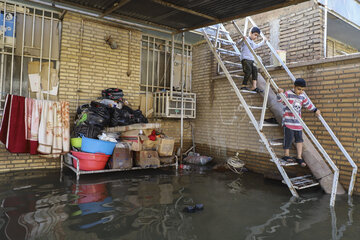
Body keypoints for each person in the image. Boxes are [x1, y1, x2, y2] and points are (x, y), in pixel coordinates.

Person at [277, 78, 321, 167]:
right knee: (288, 138)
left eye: (302, 90)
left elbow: (308, 104)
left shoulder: (302, 96)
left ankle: (299, 157)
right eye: (299, 89)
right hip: (288, 121)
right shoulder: (288, 93)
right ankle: (286, 155)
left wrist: (315, 110)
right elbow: (280, 100)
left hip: (297, 122)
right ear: (294, 86)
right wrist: (279, 93)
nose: (301, 91)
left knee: (299, 140)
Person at [238, 26, 267, 93]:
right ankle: (243, 85)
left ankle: (254, 87)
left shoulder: (252, 42)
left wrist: (263, 41)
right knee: (248, 71)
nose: (256, 37)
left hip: (251, 59)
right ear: (250, 33)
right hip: (245, 59)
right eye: (255, 35)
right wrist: (242, 39)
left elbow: (256, 46)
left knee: (255, 71)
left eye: (257, 36)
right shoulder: (246, 39)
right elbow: (238, 43)